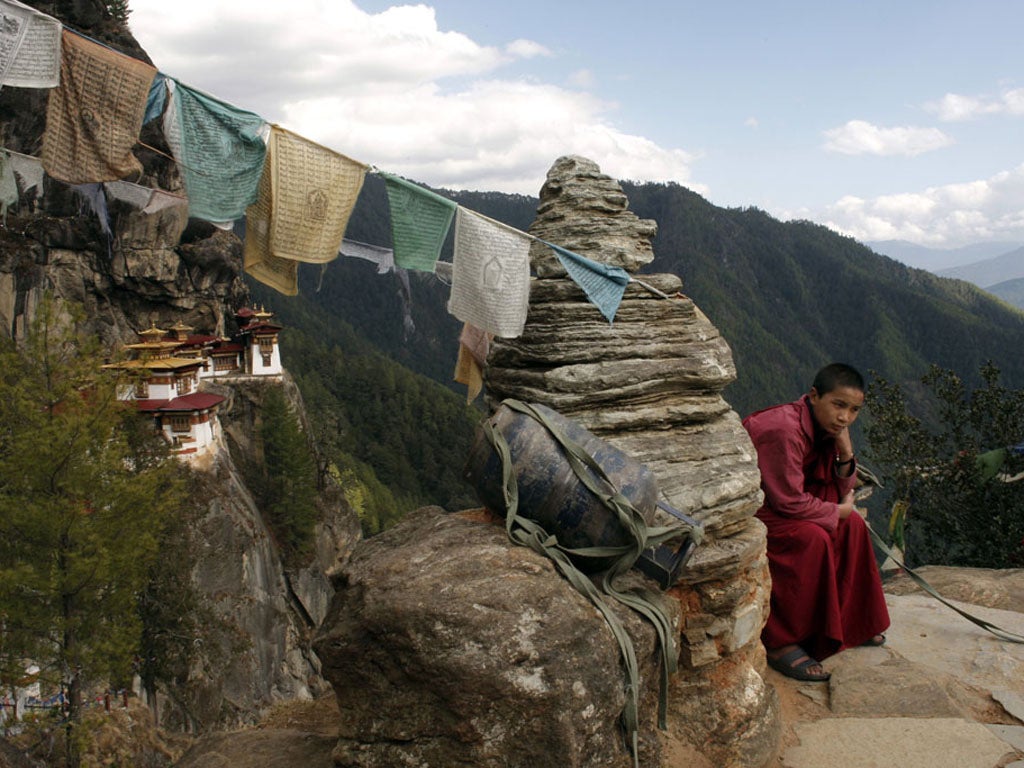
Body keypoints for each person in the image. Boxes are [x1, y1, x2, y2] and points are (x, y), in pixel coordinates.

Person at [742, 363, 890, 682]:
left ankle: (851, 621)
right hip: (759, 509)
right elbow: (786, 500)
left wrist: (846, 451)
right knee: (812, 537)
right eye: (838, 405)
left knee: (854, 527)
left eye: (854, 410)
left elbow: (839, 489)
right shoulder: (783, 428)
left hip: (791, 504)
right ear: (814, 396)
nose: (845, 417)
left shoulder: (827, 430)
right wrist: (837, 512)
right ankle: (782, 640)